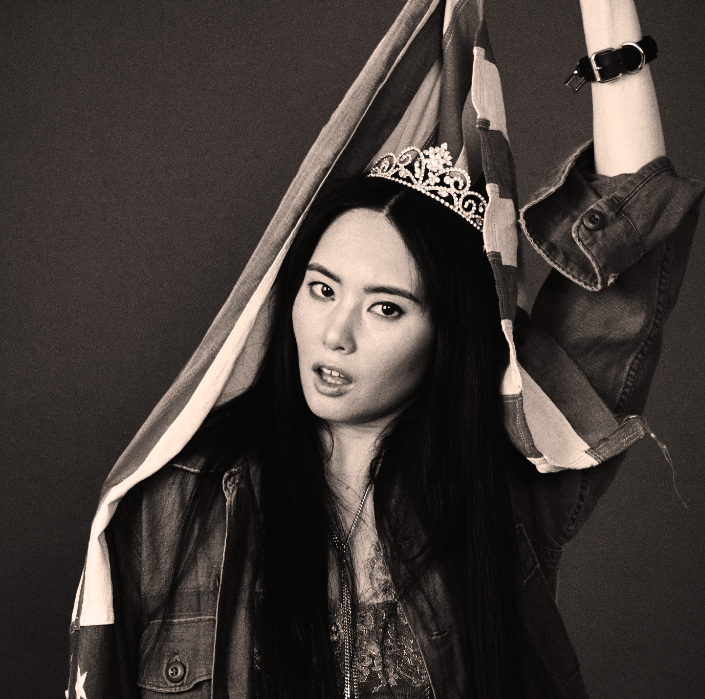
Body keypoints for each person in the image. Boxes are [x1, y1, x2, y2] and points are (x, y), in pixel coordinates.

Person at [66, 1, 704, 698]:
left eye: (385, 308)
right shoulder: (175, 504)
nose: (335, 334)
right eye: (321, 289)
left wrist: (605, 8)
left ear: (448, 336)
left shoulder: (504, 481)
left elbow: (635, 235)